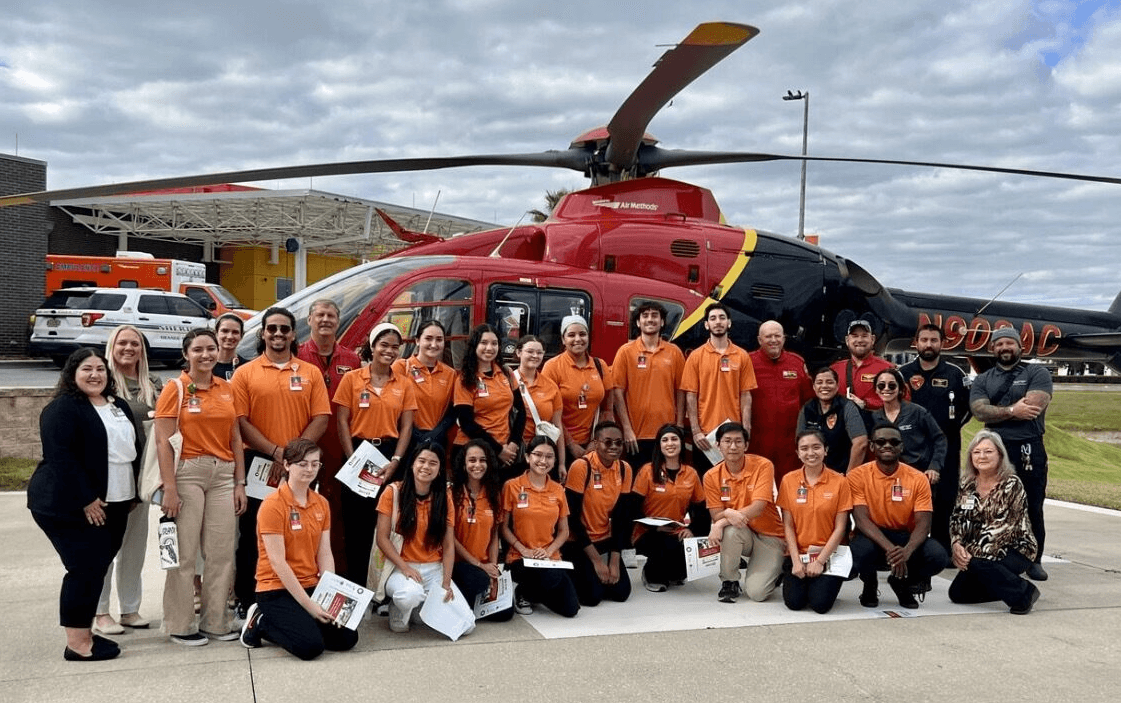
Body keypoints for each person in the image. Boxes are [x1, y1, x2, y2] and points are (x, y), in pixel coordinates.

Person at [28, 348, 141, 661]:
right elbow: (61, 458)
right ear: (72, 374)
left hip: (117, 500)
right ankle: (78, 644)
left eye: (100, 369)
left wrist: (130, 493)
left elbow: (131, 450)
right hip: (68, 504)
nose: (95, 375)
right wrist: (87, 500)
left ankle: (85, 632)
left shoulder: (117, 405)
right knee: (83, 568)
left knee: (97, 567)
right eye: (87, 369)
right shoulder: (62, 409)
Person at [231, 307, 331, 620]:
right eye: (271, 329)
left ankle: (303, 594)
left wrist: (291, 457)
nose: (278, 334)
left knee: (302, 534)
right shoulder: (245, 373)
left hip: (300, 465)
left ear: (293, 334)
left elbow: (321, 417)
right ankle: (249, 600)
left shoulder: (310, 372)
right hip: (259, 462)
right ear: (262, 333)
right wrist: (276, 452)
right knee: (253, 534)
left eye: (284, 329)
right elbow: (240, 421)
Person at [155, 328, 248, 645]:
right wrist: (170, 487)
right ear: (186, 354)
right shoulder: (175, 388)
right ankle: (180, 624)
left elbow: (236, 437)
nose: (206, 355)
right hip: (187, 474)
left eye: (210, 348)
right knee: (185, 554)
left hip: (223, 475)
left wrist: (239, 481)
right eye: (198, 349)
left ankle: (216, 622)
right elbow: (163, 441)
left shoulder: (227, 388)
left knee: (221, 555)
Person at [239, 439, 358, 659]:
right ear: (286, 465)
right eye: (302, 464)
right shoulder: (272, 505)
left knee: (347, 638)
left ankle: (301, 621)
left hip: (310, 584)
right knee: (310, 647)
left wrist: (327, 593)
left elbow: (324, 553)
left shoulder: (321, 503)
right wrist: (310, 606)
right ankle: (261, 621)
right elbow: (278, 562)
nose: (309, 469)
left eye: (315, 464)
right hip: (276, 589)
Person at [334, 322, 416, 584]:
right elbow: (342, 422)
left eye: (395, 347)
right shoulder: (352, 379)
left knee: (387, 524)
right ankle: (356, 584)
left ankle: (381, 586)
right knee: (356, 524)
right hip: (358, 453)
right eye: (384, 345)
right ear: (372, 346)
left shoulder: (404, 384)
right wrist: (352, 459)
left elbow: (406, 427)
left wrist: (396, 461)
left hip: (391, 455)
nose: (389, 351)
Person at [969, 326, 1052, 582]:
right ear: (993, 348)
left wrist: (999, 410)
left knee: (1032, 505)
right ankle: (993, 552)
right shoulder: (983, 379)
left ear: (1020, 347)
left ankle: (1034, 559)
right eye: (1000, 344)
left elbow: (1035, 404)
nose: (1005, 348)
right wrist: (1012, 410)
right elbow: (979, 411)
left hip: (1029, 446)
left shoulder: (1036, 371)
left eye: (1010, 343)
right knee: (991, 503)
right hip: (995, 449)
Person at [94, 325, 162, 636]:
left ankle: (130, 609)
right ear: (112, 346)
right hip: (109, 478)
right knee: (105, 547)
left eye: (135, 343)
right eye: (122, 342)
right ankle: (101, 611)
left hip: (142, 477)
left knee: (134, 546)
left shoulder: (153, 384)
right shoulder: (100, 383)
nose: (128, 348)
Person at [848, 423, 949, 609]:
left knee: (938, 556)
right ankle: (870, 583)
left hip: (905, 535)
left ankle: (901, 582)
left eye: (894, 442)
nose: (887, 445)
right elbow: (861, 519)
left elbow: (924, 524)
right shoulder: (856, 476)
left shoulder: (918, 478)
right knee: (858, 553)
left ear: (901, 447)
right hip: (872, 534)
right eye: (881, 441)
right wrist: (891, 550)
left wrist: (906, 551)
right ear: (872, 446)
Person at [375, 442, 468, 635]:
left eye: (433, 463)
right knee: (410, 595)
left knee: (466, 626)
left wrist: (446, 583)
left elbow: (449, 544)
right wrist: (405, 567)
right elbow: (382, 539)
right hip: (400, 567)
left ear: (440, 469)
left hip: (434, 568)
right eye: (422, 461)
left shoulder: (444, 498)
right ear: (412, 464)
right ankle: (399, 609)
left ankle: (420, 608)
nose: (426, 467)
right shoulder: (393, 492)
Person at [298, 299, 362, 573]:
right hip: (306, 444)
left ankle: (336, 572)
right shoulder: (297, 356)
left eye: (331, 316)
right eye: (320, 315)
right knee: (299, 507)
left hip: (339, 447)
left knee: (337, 513)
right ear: (310, 320)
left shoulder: (352, 359)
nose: (325, 320)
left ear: (338, 321)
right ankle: (303, 567)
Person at [949, 431, 1040, 613]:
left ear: (1000, 455)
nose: (982, 456)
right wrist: (957, 545)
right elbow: (957, 517)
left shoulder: (1012, 484)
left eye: (988, 451)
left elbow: (1005, 527)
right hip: (977, 551)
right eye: (976, 452)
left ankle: (1025, 593)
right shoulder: (967, 483)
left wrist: (969, 554)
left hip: (1015, 548)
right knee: (958, 594)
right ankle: (1003, 587)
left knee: (979, 563)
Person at [899, 323, 971, 551]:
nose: (928, 344)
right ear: (916, 343)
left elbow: (967, 408)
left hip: (947, 446)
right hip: (911, 449)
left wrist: (944, 430)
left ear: (943, 344)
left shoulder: (955, 374)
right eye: (924, 340)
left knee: (945, 497)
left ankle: (941, 547)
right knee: (907, 498)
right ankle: (907, 547)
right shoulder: (903, 374)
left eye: (933, 340)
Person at [702, 422, 785, 603]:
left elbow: (759, 506)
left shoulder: (763, 465)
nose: (733, 446)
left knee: (757, 594)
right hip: (742, 533)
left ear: (746, 445)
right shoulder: (711, 476)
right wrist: (724, 518)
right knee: (731, 531)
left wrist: (723, 520)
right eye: (727, 441)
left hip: (770, 537)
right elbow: (716, 514)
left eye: (738, 441)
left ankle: (778, 569)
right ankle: (729, 581)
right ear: (718, 445)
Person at [501, 436, 579, 618]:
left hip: (549, 557)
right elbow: (503, 528)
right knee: (552, 578)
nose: (543, 461)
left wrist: (548, 551)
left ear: (555, 460)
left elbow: (564, 531)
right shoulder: (512, 486)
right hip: (520, 557)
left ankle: (535, 593)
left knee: (571, 609)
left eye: (549, 456)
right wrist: (524, 550)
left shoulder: (558, 489)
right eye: (538, 455)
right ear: (528, 457)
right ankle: (523, 593)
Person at [776, 430, 853, 614]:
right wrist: (795, 560)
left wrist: (820, 561)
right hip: (799, 554)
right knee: (795, 603)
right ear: (798, 453)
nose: (810, 453)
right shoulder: (788, 480)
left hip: (828, 555)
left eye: (816, 447)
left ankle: (826, 582)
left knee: (820, 605)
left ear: (825, 450)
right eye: (804, 448)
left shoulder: (840, 482)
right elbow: (788, 525)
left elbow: (840, 528)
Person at [562, 421, 634, 606]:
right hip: (578, 541)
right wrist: (597, 562)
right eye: (608, 442)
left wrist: (614, 560)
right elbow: (572, 518)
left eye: (619, 443)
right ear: (595, 443)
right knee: (592, 597)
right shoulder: (581, 466)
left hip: (605, 539)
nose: (614, 447)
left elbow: (621, 517)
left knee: (621, 593)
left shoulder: (625, 469)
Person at [630, 424, 708, 592]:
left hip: (676, 531)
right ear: (659, 445)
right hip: (648, 532)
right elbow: (633, 507)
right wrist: (655, 528)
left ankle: (670, 571)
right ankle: (651, 574)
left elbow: (701, 509)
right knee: (664, 549)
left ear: (681, 443)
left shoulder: (691, 474)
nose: (670, 443)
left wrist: (692, 529)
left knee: (680, 570)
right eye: (664, 440)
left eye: (674, 439)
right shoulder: (647, 471)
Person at [682, 303, 757, 475]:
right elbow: (691, 396)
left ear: (729, 323)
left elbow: (746, 395)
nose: (718, 322)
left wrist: (745, 429)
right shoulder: (696, 357)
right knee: (707, 485)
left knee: (733, 483)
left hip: (733, 436)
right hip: (706, 438)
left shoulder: (742, 356)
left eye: (722, 318)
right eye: (713, 318)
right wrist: (696, 432)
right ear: (706, 325)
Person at [612, 302, 686, 469]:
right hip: (635, 435)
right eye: (645, 316)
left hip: (667, 435)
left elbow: (681, 391)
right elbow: (617, 392)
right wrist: (626, 428)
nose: (650, 319)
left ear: (662, 322)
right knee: (637, 486)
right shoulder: (625, 351)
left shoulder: (674, 352)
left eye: (654, 316)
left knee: (664, 485)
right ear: (638, 322)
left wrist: (679, 425)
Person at [541, 315, 614, 475]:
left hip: (592, 446)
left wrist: (595, 442)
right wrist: (571, 445)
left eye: (582, 334)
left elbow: (607, 409)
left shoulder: (600, 366)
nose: (577, 339)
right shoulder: (552, 367)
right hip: (559, 446)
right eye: (571, 335)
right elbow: (549, 412)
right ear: (563, 339)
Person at [450, 439, 514, 620]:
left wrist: (493, 570)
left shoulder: (494, 494)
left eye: (482, 460)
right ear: (463, 464)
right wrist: (478, 565)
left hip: (484, 565)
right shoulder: (452, 493)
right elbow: (450, 539)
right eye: (472, 460)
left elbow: (494, 536)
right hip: (458, 564)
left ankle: (472, 600)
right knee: (477, 580)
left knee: (506, 614)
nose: (477, 465)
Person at [747, 320, 814, 483]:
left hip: (790, 442)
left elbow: (809, 399)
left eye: (777, 336)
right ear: (759, 340)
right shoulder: (747, 362)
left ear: (784, 339)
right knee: (757, 487)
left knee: (791, 486)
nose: (773, 340)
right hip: (758, 440)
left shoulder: (797, 362)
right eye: (768, 336)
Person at [455, 324, 525, 471]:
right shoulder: (465, 378)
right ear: (475, 345)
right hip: (474, 451)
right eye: (484, 343)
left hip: (507, 450)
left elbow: (521, 412)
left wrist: (514, 443)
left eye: (494, 343)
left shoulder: (506, 373)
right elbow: (466, 423)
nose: (489, 348)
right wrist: (497, 450)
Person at [870, 368, 947, 479]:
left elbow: (940, 438)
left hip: (918, 473)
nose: (886, 389)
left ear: (900, 388)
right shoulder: (874, 417)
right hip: (887, 474)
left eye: (892, 386)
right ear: (876, 390)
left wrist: (934, 467)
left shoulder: (917, 412)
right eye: (881, 386)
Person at [392, 319, 457, 451]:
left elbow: (452, 410)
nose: (434, 344)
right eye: (428, 338)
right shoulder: (400, 367)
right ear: (417, 340)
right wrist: (416, 435)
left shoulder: (450, 374)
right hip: (405, 441)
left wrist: (436, 433)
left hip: (436, 442)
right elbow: (392, 407)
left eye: (439, 339)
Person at [510, 335, 565, 479]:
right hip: (513, 454)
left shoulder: (551, 386)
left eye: (539, 353)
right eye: (530, 351)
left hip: (542, 456)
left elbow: (557, 426)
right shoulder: (506, 381)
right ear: (518, 353)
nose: (535, 356)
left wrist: (561, 463)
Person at [797, 367, 868, 474]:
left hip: (843, 473)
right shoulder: (807, 409)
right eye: (819, 382)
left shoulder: (847, 407)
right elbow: (800, 444)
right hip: (816, 474)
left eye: (829, 382)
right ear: (814, 387)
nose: (824, 386)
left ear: (837, 385)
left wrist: (849, 477)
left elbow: (861, 443)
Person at [830, 319, 894, 425]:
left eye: (864, 336)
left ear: (872, 339)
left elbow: (902, 401)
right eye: (855, 336)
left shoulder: (888, 369)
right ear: (847, 340)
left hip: (876, 432)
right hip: (842, 431)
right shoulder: (834, 369)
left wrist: (866, 404)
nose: (860, 340)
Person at [213, 313, 248, 381]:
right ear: (216, 333)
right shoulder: (205, 366)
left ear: (241, 336)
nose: (229, 336)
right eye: (225, 331)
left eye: (235, 332)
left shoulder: (247, 367)